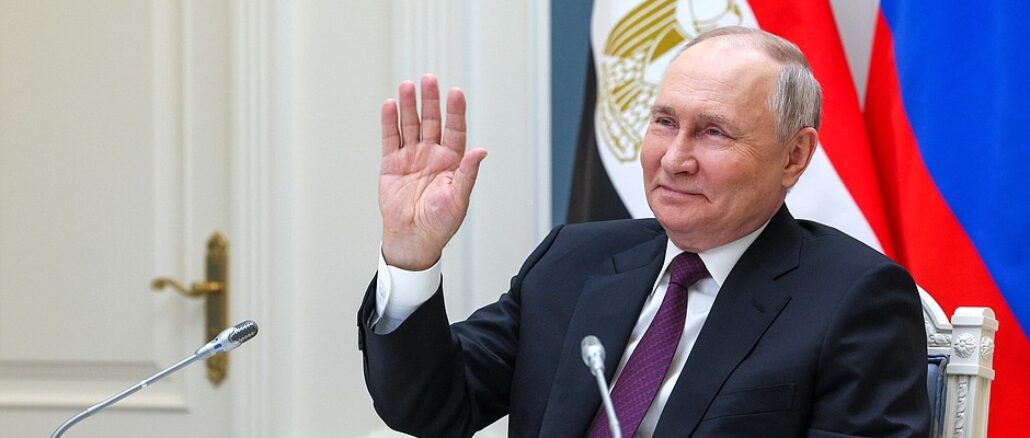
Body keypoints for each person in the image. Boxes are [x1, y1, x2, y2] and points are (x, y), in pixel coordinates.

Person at [358, 26, 929, 438]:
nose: (674, 159)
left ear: (794, 155)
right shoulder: (572, 260)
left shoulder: (854, 299)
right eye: (664, 122)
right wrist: (411, 254)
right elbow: (431, 406)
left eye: (713, 132)